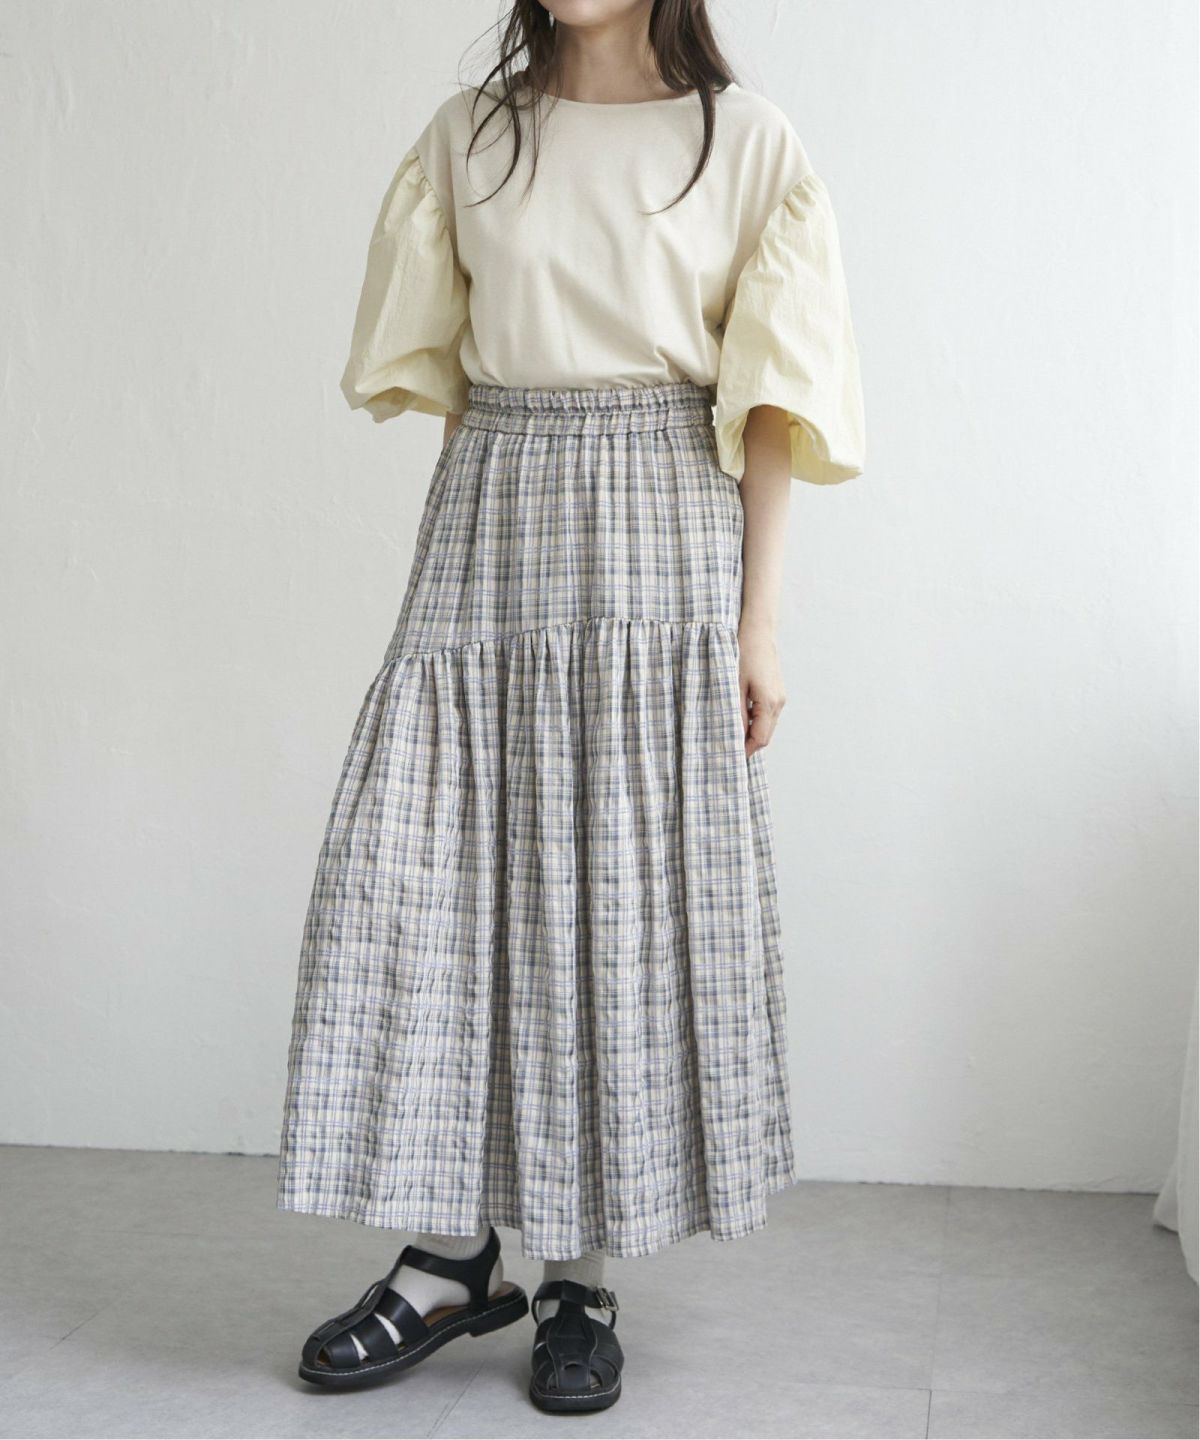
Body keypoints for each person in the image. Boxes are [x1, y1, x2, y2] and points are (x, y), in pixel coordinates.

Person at [276, 0, 864, 1414]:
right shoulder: (469, 138)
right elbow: (459, 381)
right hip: (494, 515)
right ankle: (449, 1253)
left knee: (610, 900)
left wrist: (758, 623)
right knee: (432, 872)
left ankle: (579, 1278)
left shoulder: (747, 144)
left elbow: (769, 403)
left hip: (662, 530)